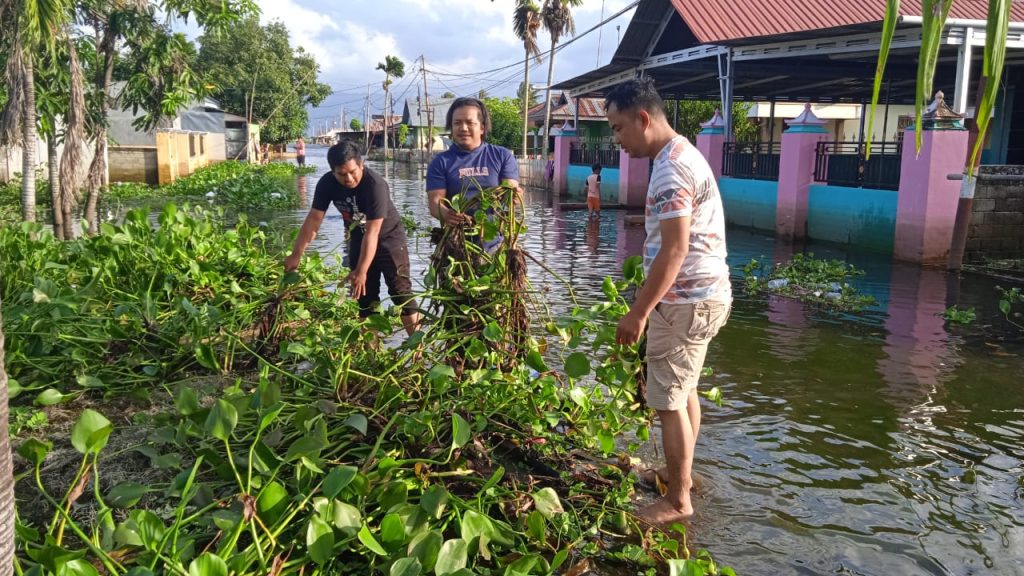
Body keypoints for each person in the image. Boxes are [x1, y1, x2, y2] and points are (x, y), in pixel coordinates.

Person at [605, 78, 731, 525]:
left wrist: (637, 313)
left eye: (618, 128)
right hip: (704, 296)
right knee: (685, 389)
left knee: (668, 401)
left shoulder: (670, 169)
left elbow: (674, 250)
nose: (617, 140)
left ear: (643, 118)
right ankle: (681, 477)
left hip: (684, 302)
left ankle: (678, 500)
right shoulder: (683, 155)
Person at [285, 140, 420, 336]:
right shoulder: (326, 184)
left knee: (400, 292)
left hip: (388, 239)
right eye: (341, 174)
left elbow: (373, 232)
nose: (348, 178)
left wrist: (362, 270)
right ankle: (370, 349)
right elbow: (314, 220)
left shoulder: (375, 185)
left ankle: (417, 347)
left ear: (361, 165)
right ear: (333, 172)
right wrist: (296, 254)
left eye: (352, 172)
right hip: (357, 237)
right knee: (364, 296)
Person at [426, 97, 521, 235]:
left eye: (470, 123)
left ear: (482, 127)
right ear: (451, 128)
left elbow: (510, 189)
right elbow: (435, 203)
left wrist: (514, 196)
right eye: (457, 123)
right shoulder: (440, 162)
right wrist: (447, 215)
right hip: (456, 239)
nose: (463, 128)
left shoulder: (502, 156)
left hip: (496, 240)